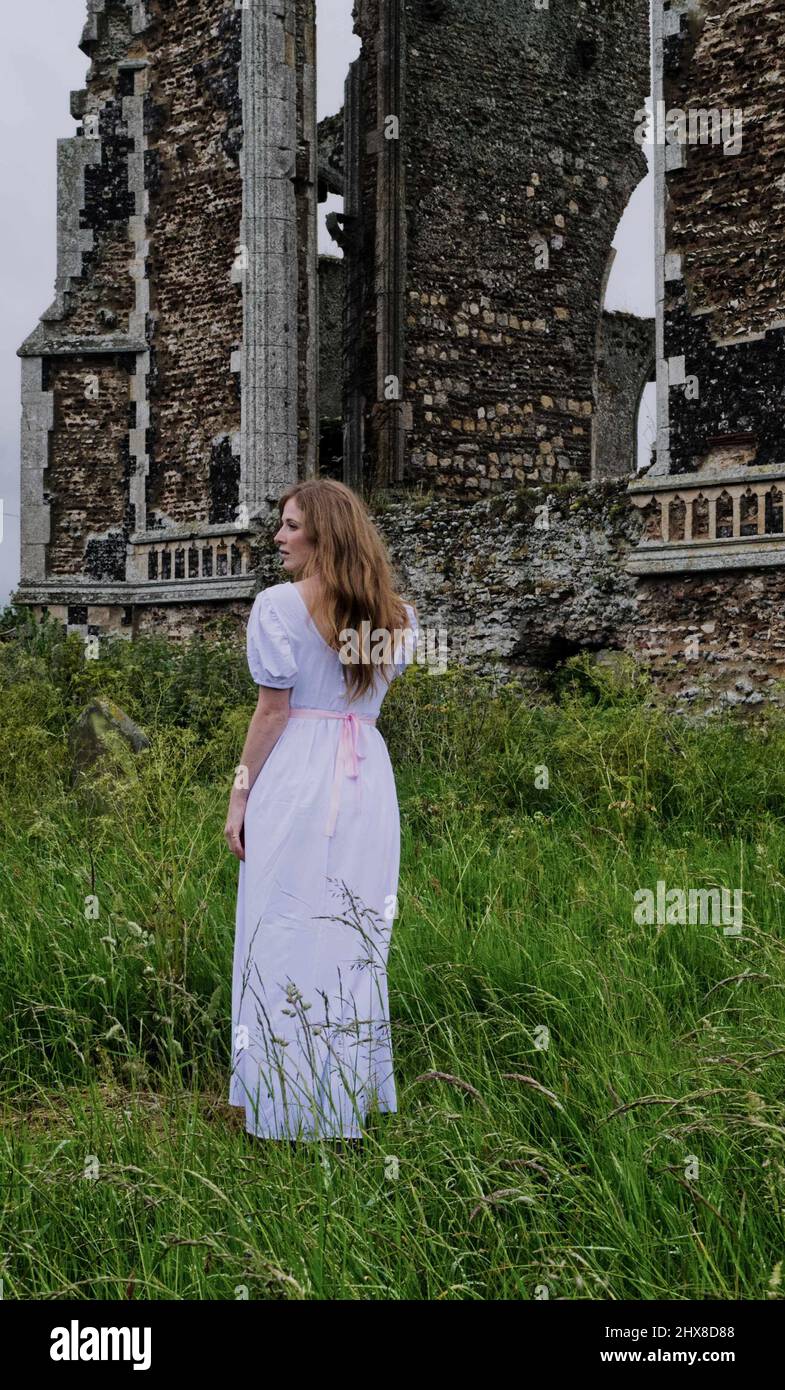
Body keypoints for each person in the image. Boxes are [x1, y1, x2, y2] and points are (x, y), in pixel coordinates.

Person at [225, 479, 419, 1142]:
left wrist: (239, 792)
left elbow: (273, 710)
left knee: (280, 926)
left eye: (288, 525)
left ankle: (282, 1105)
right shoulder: (397, 616)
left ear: (322, 534)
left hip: (297, 779)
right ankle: (339, 1100)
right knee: (350, 937)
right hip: (365, 780)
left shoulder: (279, 605)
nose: (278, 537)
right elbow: (352, 696)